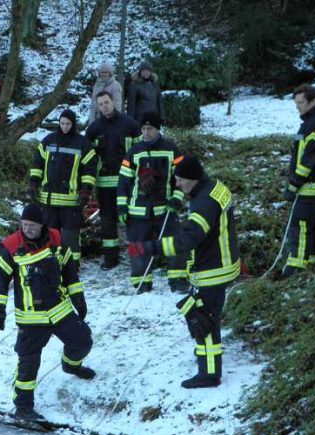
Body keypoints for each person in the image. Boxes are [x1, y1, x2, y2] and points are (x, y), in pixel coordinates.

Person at [127, 156, 239, 388]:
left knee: (204, 321)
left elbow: (187, 241)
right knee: (202, 314)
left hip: (212, 268)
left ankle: (208, 373)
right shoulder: (215, 188)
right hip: (223, 260)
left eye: (180, 181)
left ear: (192, 179)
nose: (177, 185)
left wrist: (149, 247)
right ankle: (207, 359)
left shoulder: (204, 203)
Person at [0, 203, 94, 422]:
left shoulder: (57, 240)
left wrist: (79, 298)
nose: (26, 229)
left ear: (42, 225)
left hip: (59, 309)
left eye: (32, 225)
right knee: (28, 365)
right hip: (30, 317)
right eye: (24, 224)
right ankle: (23, 408)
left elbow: (69, 273)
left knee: (83, 341)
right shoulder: (11, 247)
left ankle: (71, 365)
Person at [117, 111, 188, 292]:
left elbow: (181, 178)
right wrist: (122, 208)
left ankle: (178, 280)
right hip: (137, 211)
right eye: (143, 129)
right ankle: (142, 283)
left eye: (150, 129)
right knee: (137, 247)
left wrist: (177, 199)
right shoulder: (133, 151)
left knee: (174, 244)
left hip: (165, 209)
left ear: (158, 129)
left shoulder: (172, 150)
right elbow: (124, 181)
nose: (146, 133)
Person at [29, 108, 98, 266]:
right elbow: (37, 163)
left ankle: (72, 268)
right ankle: (50, 265)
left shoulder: (82, 144)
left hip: (71, 202)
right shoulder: (48, 141)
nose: (65, 127)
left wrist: (86, 189)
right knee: (50, 236)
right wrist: (33, 183)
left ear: (73, 124)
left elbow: (90, 169)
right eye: (62, 123)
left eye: (68, 124)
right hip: (49, 201)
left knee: (69, 238)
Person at [85, 91, 140, 269]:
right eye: (100, 104)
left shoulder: (130, 124)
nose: (104, 106)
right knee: (107, 221)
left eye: (106, 102)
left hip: (127, 181)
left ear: (113, 101)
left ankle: (138, 257)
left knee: (132, 219)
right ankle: (111, 258)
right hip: (104, 183)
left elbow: (140, 150)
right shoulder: (93, 129)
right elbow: (87, 157)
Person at [281, 84, 315, 277]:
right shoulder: (310, 122)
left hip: (310, 185)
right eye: (296, 103)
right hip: (311, 184)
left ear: (313, 101)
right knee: (313, 220)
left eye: (301, 102)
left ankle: (296, 266)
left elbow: (310, 158)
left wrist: (294, 184)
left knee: (299, 222)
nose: (297, 107)